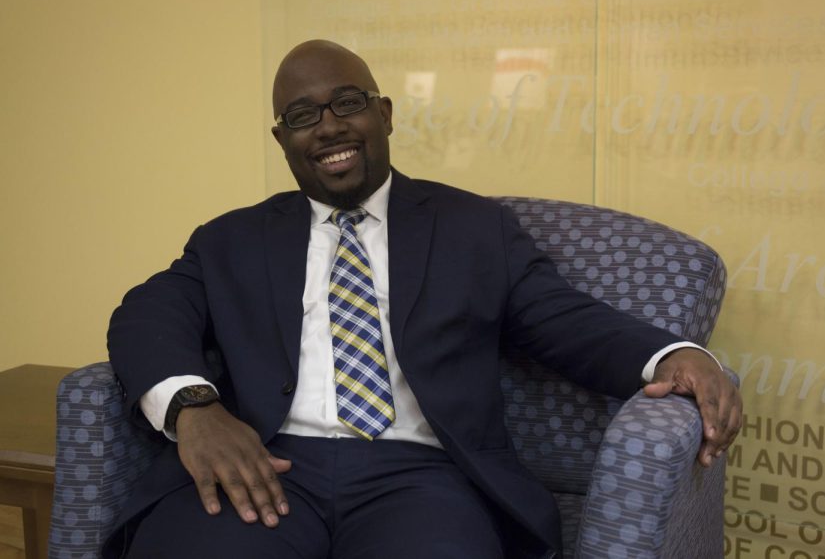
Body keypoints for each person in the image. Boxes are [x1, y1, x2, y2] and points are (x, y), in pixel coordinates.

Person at [105, 39, 741, 559]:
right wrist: (194, 410)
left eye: (345, 104)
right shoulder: (230, 240)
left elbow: (562, 319)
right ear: (281, 140)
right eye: (302, 116)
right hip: (267, 466)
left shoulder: (472, 228)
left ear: (383, 114)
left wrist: (671, 355)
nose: (328, 128)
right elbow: (146, 315)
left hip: (421, 476)